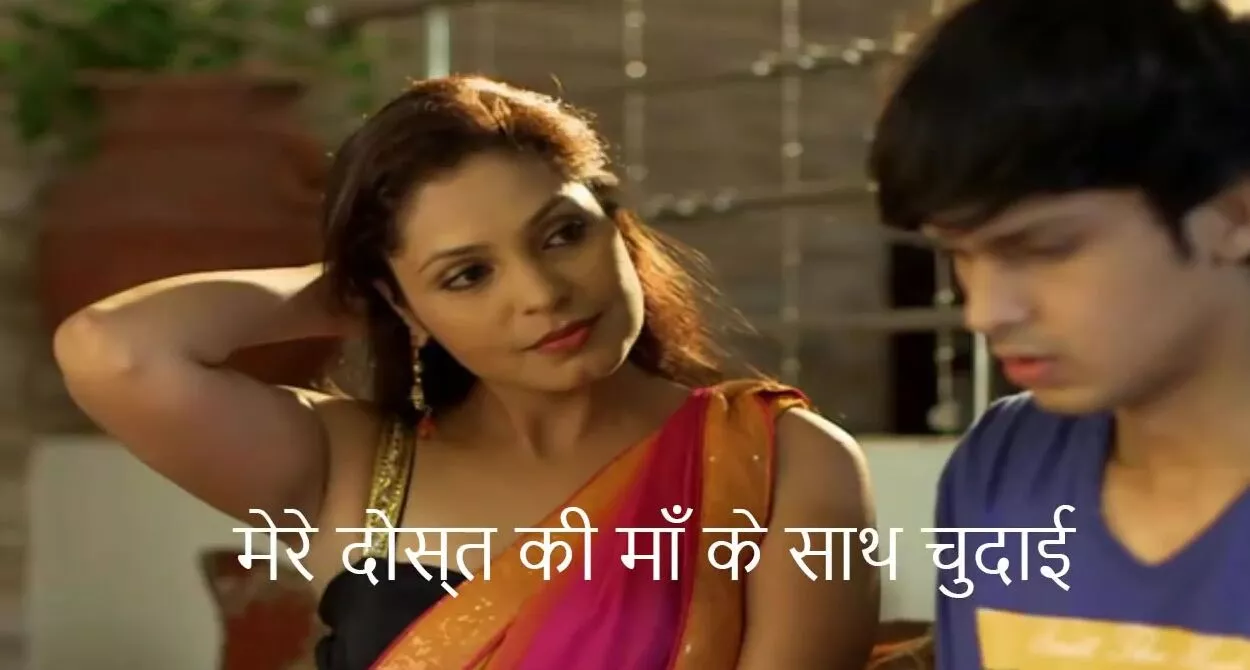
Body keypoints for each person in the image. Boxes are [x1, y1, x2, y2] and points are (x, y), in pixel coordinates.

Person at [53, 75, 880, 669]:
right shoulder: (353, 467)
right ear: (398, 300)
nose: (542, 293)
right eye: (469, 275)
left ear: (618, 227)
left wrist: (427, 281)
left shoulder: (783, 460)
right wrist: (365, 287)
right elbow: (113, 348)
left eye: (563, 234)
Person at [868, 0, 1250, 667]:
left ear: (1234, 215)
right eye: (961, 254)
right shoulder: (1005, 463)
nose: (985, 312)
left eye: (1045, 249)